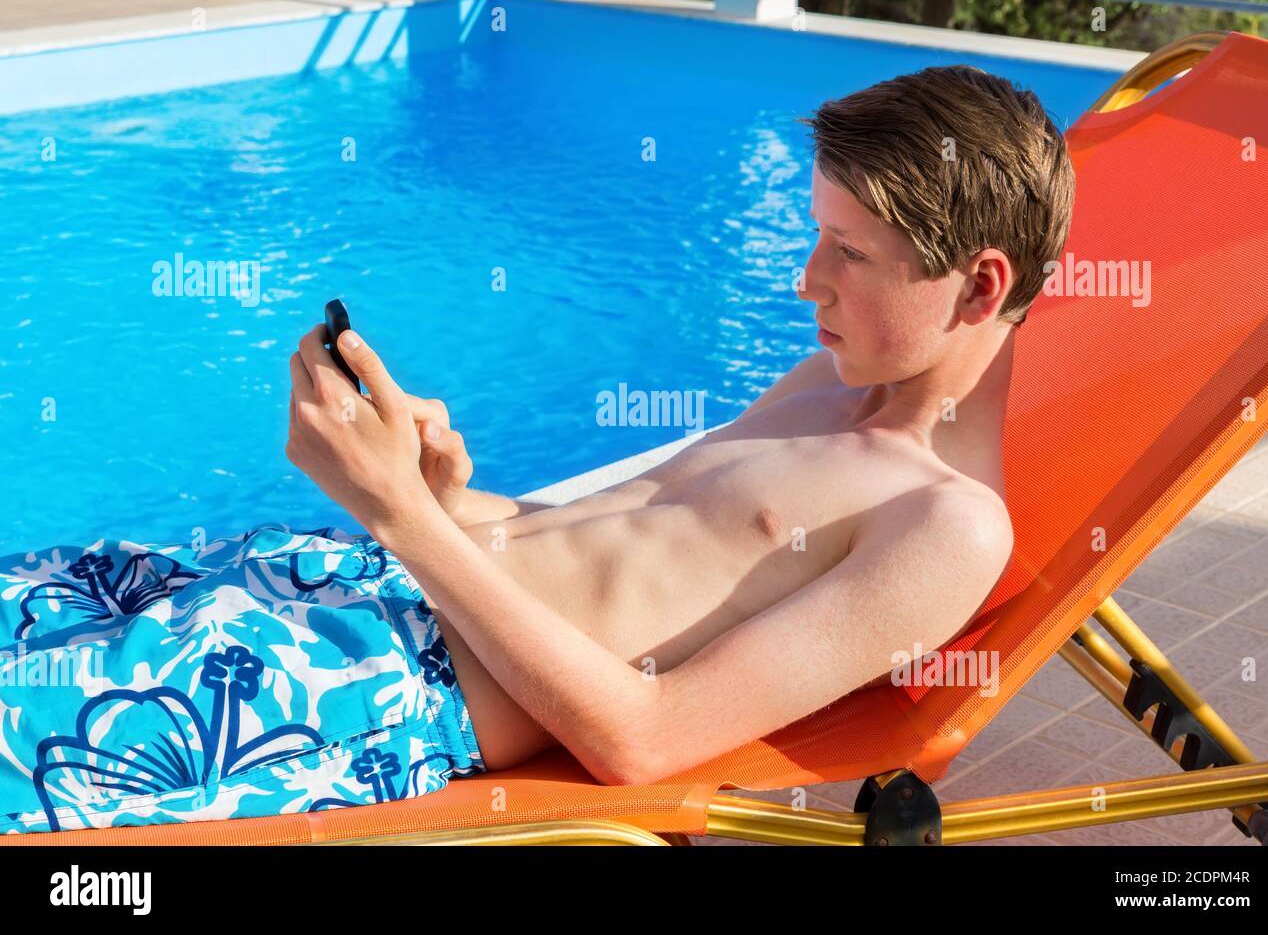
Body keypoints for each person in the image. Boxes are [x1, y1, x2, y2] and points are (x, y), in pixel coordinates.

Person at [0, 63, 1074, 833]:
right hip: (331, 583)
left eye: (846, 253)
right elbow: (602, 548)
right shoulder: (833, 387)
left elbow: (642, 741)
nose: (805, 280)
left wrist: (402, 517)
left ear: (979, 285)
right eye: (813, 235)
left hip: (351, 685)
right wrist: (450, 494)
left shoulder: (944, 524)